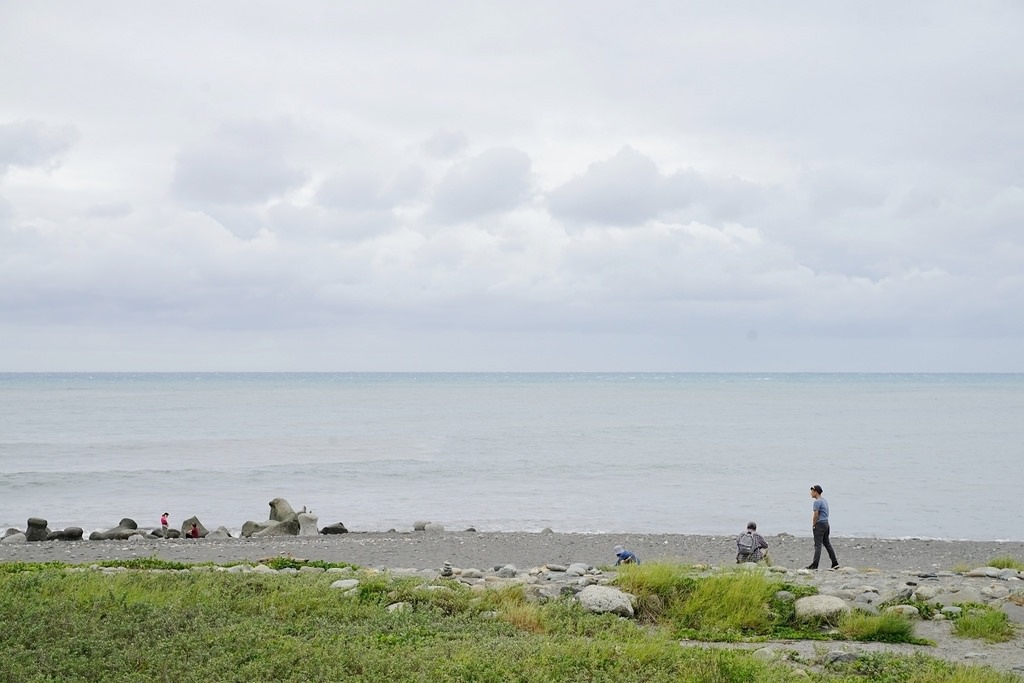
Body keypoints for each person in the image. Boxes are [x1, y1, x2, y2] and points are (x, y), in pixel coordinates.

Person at [807, 484, 839, 570]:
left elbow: (816, 514)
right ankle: (835, 562)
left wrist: (814, 524)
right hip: (826, 523)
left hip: (820, 524)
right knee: (827, 544)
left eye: (812, 491)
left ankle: (815, 564)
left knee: (818, 545)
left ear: (816, 492)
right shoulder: (824, 501)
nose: (811, 493)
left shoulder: (817, 502)